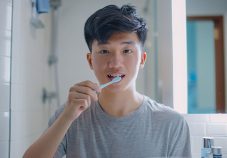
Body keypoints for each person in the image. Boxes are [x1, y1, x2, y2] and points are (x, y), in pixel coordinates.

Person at [23, 4, 191, 158]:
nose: (115, 63)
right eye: (104, 51)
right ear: (90, 60)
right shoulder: (69, 115)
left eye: (126, 50)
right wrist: (67, 117)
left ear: (142, 59)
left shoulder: (172, 124)